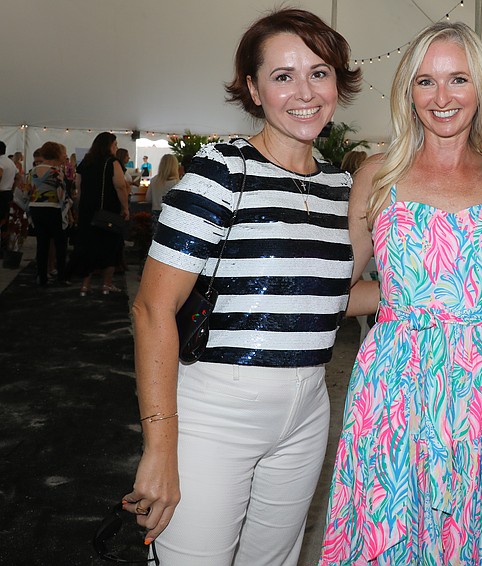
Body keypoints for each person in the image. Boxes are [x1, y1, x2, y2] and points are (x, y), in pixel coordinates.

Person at [123, 9, 362, 564]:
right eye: (283, 76)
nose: (304, 92)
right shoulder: (223, 170)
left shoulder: (338, 186)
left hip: (309, 410)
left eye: (319, 72)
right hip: (215, 409)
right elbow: (153, 308)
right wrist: (160, 445)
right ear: (254, 90)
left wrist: (446, 296)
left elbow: (324, 296)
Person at [319, 21, 482, 564]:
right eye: (426, 81)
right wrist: (403, 304)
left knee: (472, 533)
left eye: (458, 79)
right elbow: (336, 286)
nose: (442, 97)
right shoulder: (377, 174)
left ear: (481, 88)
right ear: (408, 90)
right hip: (393, 386)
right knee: (389, 531)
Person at [73, 132, 128, 296]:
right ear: (110, 145)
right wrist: (125, 207)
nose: (116, 147)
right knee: (110, 246)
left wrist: (80, 208)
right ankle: (106, 284)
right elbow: (119, 186)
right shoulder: (113, 162)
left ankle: (85, 285)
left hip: (87, 211)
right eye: (115, 144)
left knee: (88, 246)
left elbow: (78, 186)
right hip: (107, 211)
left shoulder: (85, 162)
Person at [26, 142, 68, 285]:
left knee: (42, 244)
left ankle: (42, 277)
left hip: (35, 208)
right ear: (57, 154)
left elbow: (27, 191)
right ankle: (61, 277)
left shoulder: (33, 171)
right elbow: (62, 194)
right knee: (60, 243)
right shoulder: (56, 172)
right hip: (52, 208)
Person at [145, 154, 180, 223]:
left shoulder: (154, 180)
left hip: (156, 213)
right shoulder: (176, 183)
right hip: (171, 215)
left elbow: (148, 198)